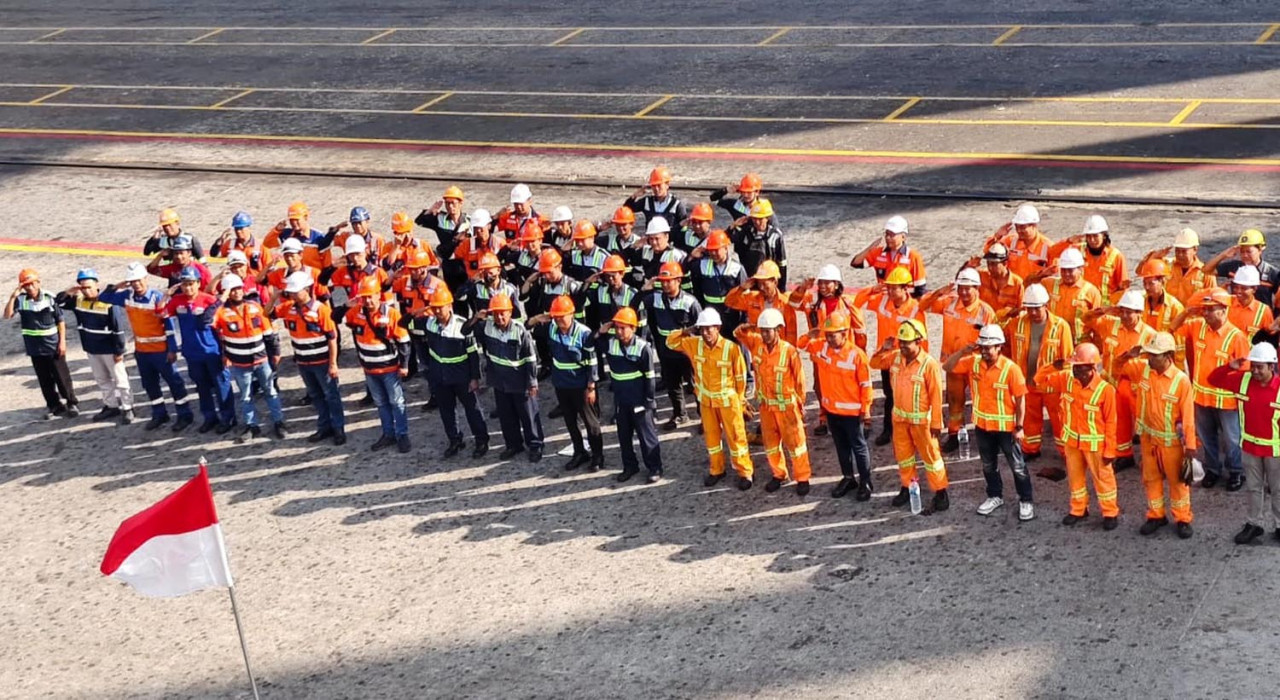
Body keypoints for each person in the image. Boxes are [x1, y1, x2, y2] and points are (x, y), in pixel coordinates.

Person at [944, 325, 1033, 520]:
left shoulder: (1011, 369)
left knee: (1017, 466)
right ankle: (994, 496)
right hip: (982, 427)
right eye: (982, 347)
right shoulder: (973, 363)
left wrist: (1019, 427)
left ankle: (1026, 500)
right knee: (988, 465)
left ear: (999, 346)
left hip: (1006, 429)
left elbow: (1020, 400)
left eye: (989, 347)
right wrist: (962, 351)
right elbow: (947, 367)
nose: (985, 351)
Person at [1116, 332, 1196, 539]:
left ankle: (1182, 519)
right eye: (1149, 354)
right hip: (1148, 440)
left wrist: (1190, 447)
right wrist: (1128, 355)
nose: (1150, 358)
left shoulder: (1181, 381)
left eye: (1155, 355)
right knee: (1150, 479)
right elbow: (1115, 369)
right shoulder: (1143, 370)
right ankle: (1156, 515)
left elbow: (1188, 416)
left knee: (1177, 482)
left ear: (1168, 355)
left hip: (1172, 444)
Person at [1034, 343, 1121, 529]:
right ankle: (1079, 509)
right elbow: (1038, 381)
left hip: (1096, 445)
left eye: (1080, 367)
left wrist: (1110, 450)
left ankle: (1109, 512)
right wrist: (1052, 366)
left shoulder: (1106, 390)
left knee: (1103, 479)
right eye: (1074, 366)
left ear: (1092, 368)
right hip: (1072, 442)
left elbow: (1112, 422)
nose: (1075, 371)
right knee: (1075, 478)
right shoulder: (1066, 379)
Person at [1172, 287, 1250, 490]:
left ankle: (1236, 472)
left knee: (1232, 439)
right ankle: (1213, 470)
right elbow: (1172, 327)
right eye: (1204, 309)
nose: (1204, 313)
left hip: (1227, 401)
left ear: (1223, 310)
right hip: (1201, 398)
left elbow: (1244, 372)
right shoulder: (1197, 326)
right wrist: (1188, 311)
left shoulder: (1237, 337)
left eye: (1209, 309)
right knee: (1207, 438)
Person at [100, 263, 194, 431]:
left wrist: (172, 349)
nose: (137, 284)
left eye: (139, 280)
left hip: (161, 351)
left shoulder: (157, 298)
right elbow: (104, 298)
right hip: (142, 352)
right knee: (150, 384)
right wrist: (120, 285)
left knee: (175, 383)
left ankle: (184, 414)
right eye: (133, 281)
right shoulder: (127, 296)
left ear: (146, 278)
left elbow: (170, 325)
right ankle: (159, 413)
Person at [666, 308, 753, 489]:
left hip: (729, 403)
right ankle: (717, 470)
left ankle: (745, 472)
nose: (705, 333)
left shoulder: (731, 348)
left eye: (709, 328)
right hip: (706, 403)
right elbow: (670, 342)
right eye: (702, 329)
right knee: (712, 439)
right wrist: (685, 331)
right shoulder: (694, 344)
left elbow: (740, 377)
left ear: (718, 328)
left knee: (736, 438)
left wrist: (740, 401)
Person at [870, 320, 950, 512]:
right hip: (899, 421)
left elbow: (937, 396)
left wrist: (937, 423)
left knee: (932, 458)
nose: (903, 346)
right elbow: (873, 363)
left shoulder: (929, 365)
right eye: (901, 342)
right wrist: (884, 348)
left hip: (922, 423)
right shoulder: (895, 357)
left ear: (919, 342)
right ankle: (907, 487)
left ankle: (941, 492)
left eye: (907, 342)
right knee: (904, 458)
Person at [1209, 343, 1280, 544]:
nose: (1255, 371)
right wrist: (1228, 367)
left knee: (1278, 489)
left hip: (1275, 451)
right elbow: (1212, 379)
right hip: (1249, 448)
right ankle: (1254, 524)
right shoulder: (1243, 380)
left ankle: (1279, 525)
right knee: (1253, 488)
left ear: (1272, 366)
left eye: (1260, 367)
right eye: (1253, 366)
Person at [797, 312, 873, 499]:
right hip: (832, 411)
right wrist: (811, 334)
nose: (829, 338)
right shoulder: (822, 347)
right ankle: (848, 478)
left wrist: (866, 410)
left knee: (859, 447)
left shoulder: (857, 355)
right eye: (828, 334)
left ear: (845, 334)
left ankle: (866, 481)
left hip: (852, 413)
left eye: (833, 335)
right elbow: (800, 344)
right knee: (841, 447)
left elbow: (866, 385)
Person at [735, 308, 811, 495]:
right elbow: (738, 333)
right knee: (771, 444)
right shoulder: (756, 345)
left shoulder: (789, 351)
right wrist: (751, 326)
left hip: (787, 407)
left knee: (796, 444)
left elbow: (800, 381)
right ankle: (779, 474)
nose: (764, 334)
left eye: (767, 330)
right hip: (767, 406)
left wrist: (800, 404)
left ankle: (802, 477)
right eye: (762, 330)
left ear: (778, 329)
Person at [920, 267, 996, 452]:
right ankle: (954, 434)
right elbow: (922, 306)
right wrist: (939, 292)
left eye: (968, 288)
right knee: (954, 401)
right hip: (953, 365)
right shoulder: (949, 303)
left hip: (976, 365)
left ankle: (986, 434)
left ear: (977, 288)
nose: (963, 292)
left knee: (982, 401)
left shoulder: (986, 312)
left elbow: (994, 340)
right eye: (960, 287)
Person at [1082, 290, 1157, 471]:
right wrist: (1104, 310)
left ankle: (1153, 458)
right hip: (1114, 384)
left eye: (1129, 312)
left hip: (1137, 386)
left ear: (1139, 313)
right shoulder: (1111, 324)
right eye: (1122, 311)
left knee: (1146, 424)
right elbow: (1086, 319)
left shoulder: (1150, 334)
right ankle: (1124, 455)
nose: (1124, 315)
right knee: (1118, 422)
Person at [1002, 283, 1074, 469]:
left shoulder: (1060, 327)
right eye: (1029, 308)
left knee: (1060, 418)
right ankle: (1030, 448)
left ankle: (1066, 451)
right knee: (1029, 418)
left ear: (1046, 305)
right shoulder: (1016, 324)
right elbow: (1007, 348)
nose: (1033, 313)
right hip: (1026, 382)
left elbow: (1067, 360)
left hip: (1052, 385)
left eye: (1036, 308)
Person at [853, 267, 927, 446]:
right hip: (887, 359)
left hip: (907, 360)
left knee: (908, 395)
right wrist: (872, 289)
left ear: (905, 288)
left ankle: (912, 430)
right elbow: (858, 302)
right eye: (889, 287)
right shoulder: (882, 301)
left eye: (895, 288)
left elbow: (922, 338)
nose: (891, 292)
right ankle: (889, 429)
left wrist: (922, 362)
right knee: (890, 395)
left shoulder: (915, 309)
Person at [791, 264, 868, 436]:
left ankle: (852, 416)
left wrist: (861, 353)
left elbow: (859, 329)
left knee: (847, 386)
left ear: (837, 284)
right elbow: (793, 303)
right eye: (821, 283)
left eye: (828, 283)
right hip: (820, 352)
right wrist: (803, 287)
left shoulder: (847, 305)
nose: (823, 287)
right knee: (820, 386)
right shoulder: (811, 300)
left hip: (844, 353)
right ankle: (824, 417)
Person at [211, 273, 286, 443]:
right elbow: (207, 320)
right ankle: (252, 426)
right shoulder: (221, 312)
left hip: (261, 359)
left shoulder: (255, 307)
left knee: (271, 391)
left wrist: (275, 353)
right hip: (239, 362)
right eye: (232, 290)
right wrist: (220, 300)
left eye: (238, 288)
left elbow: (269, 333)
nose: (236, 292)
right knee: (245, 395)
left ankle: (279, 422)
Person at [531, 295, 602, 471]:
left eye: (562, 316)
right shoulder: (552, 328)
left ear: (572, 314)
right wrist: (538, 319)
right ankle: (579, 452)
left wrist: (591, 386)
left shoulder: (584, 333)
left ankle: (597, 456)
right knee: (570, 421)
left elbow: (592, 361)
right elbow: (528, 327)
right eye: (555, 316)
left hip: (580, 385)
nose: (559, 320)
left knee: (590, 422)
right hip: (562, 383)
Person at [275, 271, 345, 446]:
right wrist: (275, 296)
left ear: (306, 289)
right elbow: (268, 313)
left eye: (295, 291)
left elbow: (332, 338)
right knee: (316, 396)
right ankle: (324, 427)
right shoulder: (288, 307)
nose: (292, 294)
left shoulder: (321, 309)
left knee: (331, 395)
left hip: (322, 362)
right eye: (290, 291)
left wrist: (333, 363)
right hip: (303, 361)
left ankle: (338, 429)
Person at [161, 267, 235, 434]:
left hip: (212, 352)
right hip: (192, 353)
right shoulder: (177, 301)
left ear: (198, 283)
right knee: (202, 387)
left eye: (191, 284)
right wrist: (167, 295)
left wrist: (226, 353)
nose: (188, 288)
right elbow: (162, 314)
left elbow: (223, 329)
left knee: (221, 385)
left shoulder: (209, 300)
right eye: (185, 284)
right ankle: (209, 418)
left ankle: (228, 418)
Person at [345, 276, 412, 453]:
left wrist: (404, 365)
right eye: (363, 297)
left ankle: (402, 435)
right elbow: (338, 318)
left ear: (378, 294)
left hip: (389, 368)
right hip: (369, 369)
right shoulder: (356, 312)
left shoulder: (391, 314)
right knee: (381, 403)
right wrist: (346, 305)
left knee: (396, 402)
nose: (367, 300)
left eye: (370, 296)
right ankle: (388, 434)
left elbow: (404, 340)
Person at [421, 286, 489, 459]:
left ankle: (481, 441)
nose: (437, 311)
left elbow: (473, 355)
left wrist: (475, 378)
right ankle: (455, 440)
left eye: (440, 307)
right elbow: (404, 323)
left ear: (449, 305)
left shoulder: (462, 326)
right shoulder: (429, 323)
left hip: (462, 377)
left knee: (472, 410)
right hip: (440, 377)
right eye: (434, 307)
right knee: (446, 411)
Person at [55, 269, 131, 423]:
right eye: (83, 287)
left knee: (120, 380)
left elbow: (118, 329)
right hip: (92, 349)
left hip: (110, 350)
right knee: (102, 379)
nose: (87, 290)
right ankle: (111, 405)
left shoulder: (108, 302)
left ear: (97, 285)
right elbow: (59, 302)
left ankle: (128, 407)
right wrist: (69, 292)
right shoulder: (78, 301)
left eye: (89, 286)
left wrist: (119, 351)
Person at [476, 293, 543, 462]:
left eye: (502, 312)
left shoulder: (520, 331)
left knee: (528, 416)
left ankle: (535, 445)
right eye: (496, 313)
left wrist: (532, 382)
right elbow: (465, 331)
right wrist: (477, 318)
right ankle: (513, 444)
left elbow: (531, 358)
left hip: (520, 381)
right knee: (506, 416)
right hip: (499, 381)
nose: (499, 316)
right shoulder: (487, 326)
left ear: (510, 312)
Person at [6, 269, 79, 419]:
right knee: (44, 379)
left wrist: (62, 342)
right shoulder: (20, 300)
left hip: (53, 346)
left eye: (32, 284)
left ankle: (71, 402)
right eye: (26, 285)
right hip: (35, 348)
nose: (30, 287)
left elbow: (61, 321)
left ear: (38, 282)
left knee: (62, 377)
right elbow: (7, 315)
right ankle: (54, 405)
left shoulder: (49, 298)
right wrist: (13, 297)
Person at [603, 307, 663, 482]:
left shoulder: (643, 348)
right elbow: (592, 342)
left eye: (623, 328)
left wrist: (648, 402)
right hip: (622, 400)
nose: (619, 332)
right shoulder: (611, 343)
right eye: (617, 328)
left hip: (640, 400)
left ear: (633, 328)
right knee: (624, 436)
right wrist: (602, 330)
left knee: (647, 437)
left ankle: (655, 468)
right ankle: (630, 466)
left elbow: (650, 378)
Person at [643, 261, 702, 429]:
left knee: (695, 385)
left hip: (686, 351)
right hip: (667, 351)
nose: (666, 284)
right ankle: (680, 415)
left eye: (669, 281)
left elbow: (700, 327)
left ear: (678, 281)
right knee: (673, 385)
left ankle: (704, 416)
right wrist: (646, 288)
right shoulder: (655, 299)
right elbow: (635, 305)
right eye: (663, 281)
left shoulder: (690, 302)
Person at [520, 248, 584, 381]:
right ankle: (546, 364)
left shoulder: (571, 285)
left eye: (550, 272)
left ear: (559, 267)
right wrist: (528, 281)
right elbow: (523, 296)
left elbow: (579, 310)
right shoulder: (543, 283)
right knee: (539, 335)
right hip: (548, 322)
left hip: (565, 325)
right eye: (544, 273)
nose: (547, 276)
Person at [1046, 215, 1127, 301]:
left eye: (1095, 236)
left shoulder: (1116, 256)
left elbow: (1124, 288)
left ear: (1104, 235)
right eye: (1088, 236)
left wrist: (1112, 304)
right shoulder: (1077, 251)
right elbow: (1052, 253)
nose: (1092, 240)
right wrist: (1068, 241)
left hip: (1103, 310)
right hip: (1080, 306)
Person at [1034, 247, 1101, 342]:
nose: (1066, 274)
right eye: (1064, 270)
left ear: (1080, 269)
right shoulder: (1047, 284)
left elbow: (1098, 326)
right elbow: (1028, 290)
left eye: (1070, 270)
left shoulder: (1092, 292)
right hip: (1053, 340)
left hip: (1078, 344)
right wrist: (1041, 274)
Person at [687, 230, 747, 335]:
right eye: (711, 250)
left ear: (725, 248)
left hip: (732, 315)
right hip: (710, 314)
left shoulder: (737, 268)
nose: (713, 254)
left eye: (716, 250)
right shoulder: (701, 265)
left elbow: (746, 295)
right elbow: (684, 272)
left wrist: (744, 320)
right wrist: (691, 256)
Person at [849, 215, 926, 297]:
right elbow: (855, 263)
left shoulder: (913, 256)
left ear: (903, 237)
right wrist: (870, 247)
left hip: (903, 301)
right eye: (886, 234)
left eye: (892, 235)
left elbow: (920, 289)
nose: (888, 238)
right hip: (882, 299)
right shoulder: (878, 253)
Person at [1206, 229, 1280, 307]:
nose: (1245, 255)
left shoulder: (1273, 274)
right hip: (1236, 314)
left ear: (1260, 249)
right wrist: (1223, 255)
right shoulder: (1234, 267)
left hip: (1260, 316)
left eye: (1249, 252)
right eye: (1242, 251)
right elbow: (1206, 270)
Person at [418, 187, 471, 293]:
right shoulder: (440, 219)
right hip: (449, 265)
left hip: (465, 264)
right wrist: (430, 210)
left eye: (453, 203)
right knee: (453, 296)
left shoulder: (469, 221)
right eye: (447, 203)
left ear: (461, 203)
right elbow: (420, 221)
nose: (450, 206)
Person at [986, 204, 1053, 283]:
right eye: (1017, 227)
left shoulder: (1049, 247)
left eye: (1022, 227)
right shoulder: (1011, 241)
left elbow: (1055, 277)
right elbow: (988, 253)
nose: (1019, 230)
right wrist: (997, 236)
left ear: (1034, 225)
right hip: (1013, 291)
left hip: (1034, 292)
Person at [729, 199, 787, 286]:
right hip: (750, 280)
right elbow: (728, 240)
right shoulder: (746, 233)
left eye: (760, 219)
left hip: (768, 281)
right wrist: (733, 226)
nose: (757, 222)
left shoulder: (776, 236)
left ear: (767, 218)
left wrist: (782, 287)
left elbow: (782, 263)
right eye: (754, 219)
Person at [967, 242, 1024, 320]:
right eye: (988, 263)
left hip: (1008, 328)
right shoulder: (982, 276)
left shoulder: (1017, 283)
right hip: (985, 325)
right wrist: (969, 266)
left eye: (994, 264)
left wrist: (1009, 313)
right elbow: (961, 282)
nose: (990, 267)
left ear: (1005, 263)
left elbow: (1022, 310)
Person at [1155, 228, 1212, 306]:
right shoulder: (1166, 265)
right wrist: (1155, 256)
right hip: (1169, 316)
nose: (1180, 255)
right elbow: (1141, 271)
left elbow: (1212, 298)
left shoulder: (1206, 272)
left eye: (1184, 251)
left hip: (1193, 317)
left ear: (1195, 250)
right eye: (1177, 251)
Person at [263, 201, 326, 270]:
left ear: (305, 217)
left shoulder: (319, 237)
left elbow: (327, 263)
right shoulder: (286, 234)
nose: (293, 223)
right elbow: (267, 244)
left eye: (296, 220)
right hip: (292, 275)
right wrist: (276, 230)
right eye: (291, 220)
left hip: (312, 277)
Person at [623, 166, 688, 231]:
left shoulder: (677, 205)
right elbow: (626, 210)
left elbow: (685, 226)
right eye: (654, 185)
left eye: (659, 185)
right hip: (651, 240)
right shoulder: (647, 202)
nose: (656, 189)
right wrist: (635, 195)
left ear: (667, 185)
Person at [210, 211, 272, 277]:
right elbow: (214, 255)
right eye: (236, 229)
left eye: (241, 228)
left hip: (254, 282)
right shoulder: (231, 244)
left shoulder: (261, 246)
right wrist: (220, 241)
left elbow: (270, 268)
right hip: (235, 282)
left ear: (249, 228)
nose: (238, 231)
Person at [1225, 265, 1275, 341]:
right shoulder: (1225, 303)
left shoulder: (1264, 311)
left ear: (1254, 289)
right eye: (1236, 287)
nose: (1238, 291)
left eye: (1243, 288)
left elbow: (1270, 334)